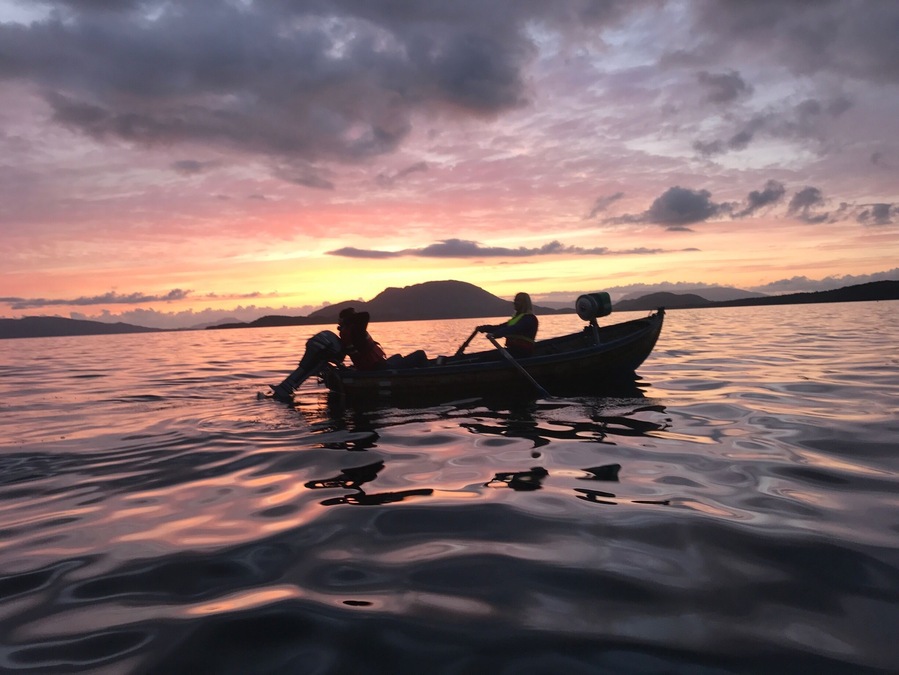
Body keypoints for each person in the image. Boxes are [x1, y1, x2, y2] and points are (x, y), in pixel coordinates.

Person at [477, 292, 539, 358]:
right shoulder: (517, 319)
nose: (515, 303)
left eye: (518, 301)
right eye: (515, 300)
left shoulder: (529, 319)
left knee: (487, 358)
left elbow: (514, 329)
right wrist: (485, 328)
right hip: (512, 350)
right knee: (484, 357)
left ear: (524, 303)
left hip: (522, 353)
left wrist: (495, 334)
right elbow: (501, 327)